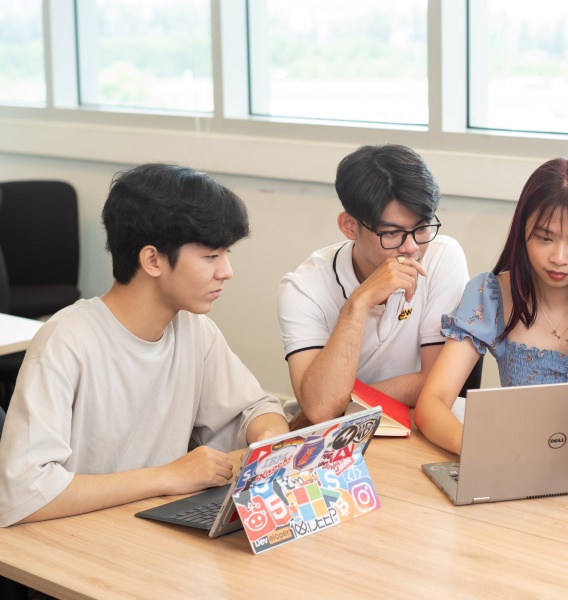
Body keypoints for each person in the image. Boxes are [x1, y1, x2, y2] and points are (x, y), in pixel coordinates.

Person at [0, 163, 289, 527]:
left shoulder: (195, 329)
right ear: (152, 260)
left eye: (226, 254)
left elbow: (252, 409)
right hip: (80, 543)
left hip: (152, 529)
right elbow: (22, 492)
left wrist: (270, 439)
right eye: (211, 256)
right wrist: (166, 476)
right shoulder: (66, 341)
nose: (226, 271)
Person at [415, 158, 568, 454]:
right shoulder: (492, 294)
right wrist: (479, 451)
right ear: (523, 232)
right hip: (521, 463)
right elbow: (431, 404)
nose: (559, 257)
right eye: (545, 238)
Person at [277, 144, 469, 428]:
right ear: (349, 226)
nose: (412, 247)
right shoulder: (303, 288)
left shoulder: (442, 256)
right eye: (391, 233)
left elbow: (437, 381)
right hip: (337, 436)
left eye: (422, 228)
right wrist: (359, 302)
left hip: (419, 421)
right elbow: (321, 408)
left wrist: (346, 404)